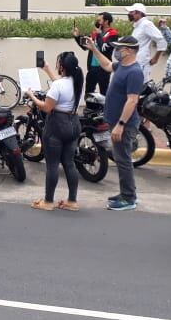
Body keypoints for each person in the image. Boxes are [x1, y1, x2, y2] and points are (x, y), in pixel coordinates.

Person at [85, 35, 144, 211]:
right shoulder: (122, 66)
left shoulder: (134, 72)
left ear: (129, 51)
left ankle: (129, 198)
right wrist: (94, 49)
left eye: (119, 48)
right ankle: (127, 193)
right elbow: (107, 65)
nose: (116, 50)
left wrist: (121, 124)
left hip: (124, 124)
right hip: (116, 122)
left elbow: (132, 101)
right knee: (121, 158)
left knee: (123, 160)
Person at [28, 52, 84, 212]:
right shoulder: (77, 81)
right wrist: (47, 70)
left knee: (52, 165)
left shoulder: (58, 85)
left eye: (58, 64)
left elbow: (46, 107)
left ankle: (48, 201)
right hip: (73, 123)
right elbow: (61, 86)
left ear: (62, 67)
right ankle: (72, 201)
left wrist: (31, 96)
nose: (56, 66)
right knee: (69, 163)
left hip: (57, 125)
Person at [74, 12, 118, 95]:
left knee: (104, 92)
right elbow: (85, 46)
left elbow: (104, 49)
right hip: (92, 67)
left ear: (106, 21)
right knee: (89, 93)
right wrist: (77, 36)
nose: (97, 21)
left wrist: (99, 35)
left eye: (99, 20)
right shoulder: (95, 33)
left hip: (104, 68)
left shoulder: (113, 34)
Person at [126, 3, 166, 81]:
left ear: (139, 13)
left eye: (131, 12)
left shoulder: (146, 24)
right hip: (135, 63)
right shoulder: (138, 25)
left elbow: (161, 40)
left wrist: (155, 58)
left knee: (140, 86)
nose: (129, 14)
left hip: (142, 64)